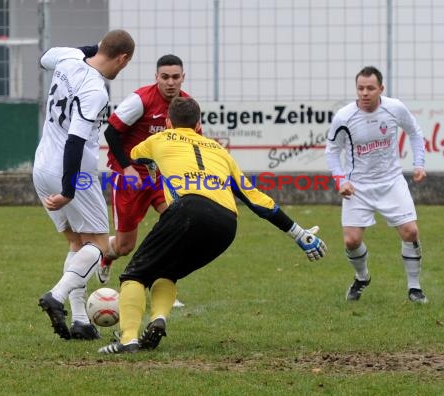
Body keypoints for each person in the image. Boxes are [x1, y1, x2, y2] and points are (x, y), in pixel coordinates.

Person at [97, 97, 327, 354]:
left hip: (188, 210)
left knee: (134, 275)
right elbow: (256, 200)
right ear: (198, 125)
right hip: (227, 223)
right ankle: (158, 319)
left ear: (168, 122)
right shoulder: (219, 150)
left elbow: (134, 155)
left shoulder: (159, 139)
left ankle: (128, 340)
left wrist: (152, 165)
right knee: (167, 272)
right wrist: (298, 233)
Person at [33, 29, 135, 340]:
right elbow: (76, 139)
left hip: (41, 165)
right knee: (100, 245)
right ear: (122, 58)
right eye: (124, 64)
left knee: (78, 244)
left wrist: (92, 49)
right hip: (74, 171)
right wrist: (69, 189)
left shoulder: (69, 57)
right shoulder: (96, 89)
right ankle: (57, 295)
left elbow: (43, 58)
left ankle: (80, 321)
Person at [325, 66, 427, 304]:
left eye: (370, 88)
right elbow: (332, 150)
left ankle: (414, 288)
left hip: (391, 181)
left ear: (381, 89)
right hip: (357, 187)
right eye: (360, 88)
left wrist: (419, 163)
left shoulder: (394, 108)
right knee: (351, 241)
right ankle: (362, 278)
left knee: (410, 231)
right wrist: (341, 180)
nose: (365, 93)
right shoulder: (344, 117)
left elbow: (414, 131)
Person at [98, 54, 191, 307]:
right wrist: (127, 168)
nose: (170, 82)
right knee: (125, 245)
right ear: (156, 78)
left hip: (161, 180)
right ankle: (106, 255)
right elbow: (111, 132)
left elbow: (191, 145)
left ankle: (164, 287)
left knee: (178, 226)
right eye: (165, 77)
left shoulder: (186, 106)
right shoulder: (141, 100)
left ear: (183, 77)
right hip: (131, 179)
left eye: (175, 77)